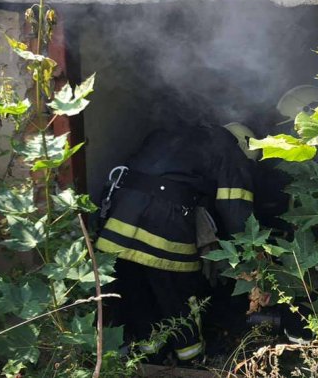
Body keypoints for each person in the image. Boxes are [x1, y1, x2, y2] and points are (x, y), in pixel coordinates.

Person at [95, 123, 254, 363]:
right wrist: (248, 254)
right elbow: (235, 206)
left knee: (139, 294)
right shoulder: (228, 147)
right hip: (164, 225)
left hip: (120, 219)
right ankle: (192, 361)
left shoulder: (171, 133)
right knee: (179, 296)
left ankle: (151, 358)